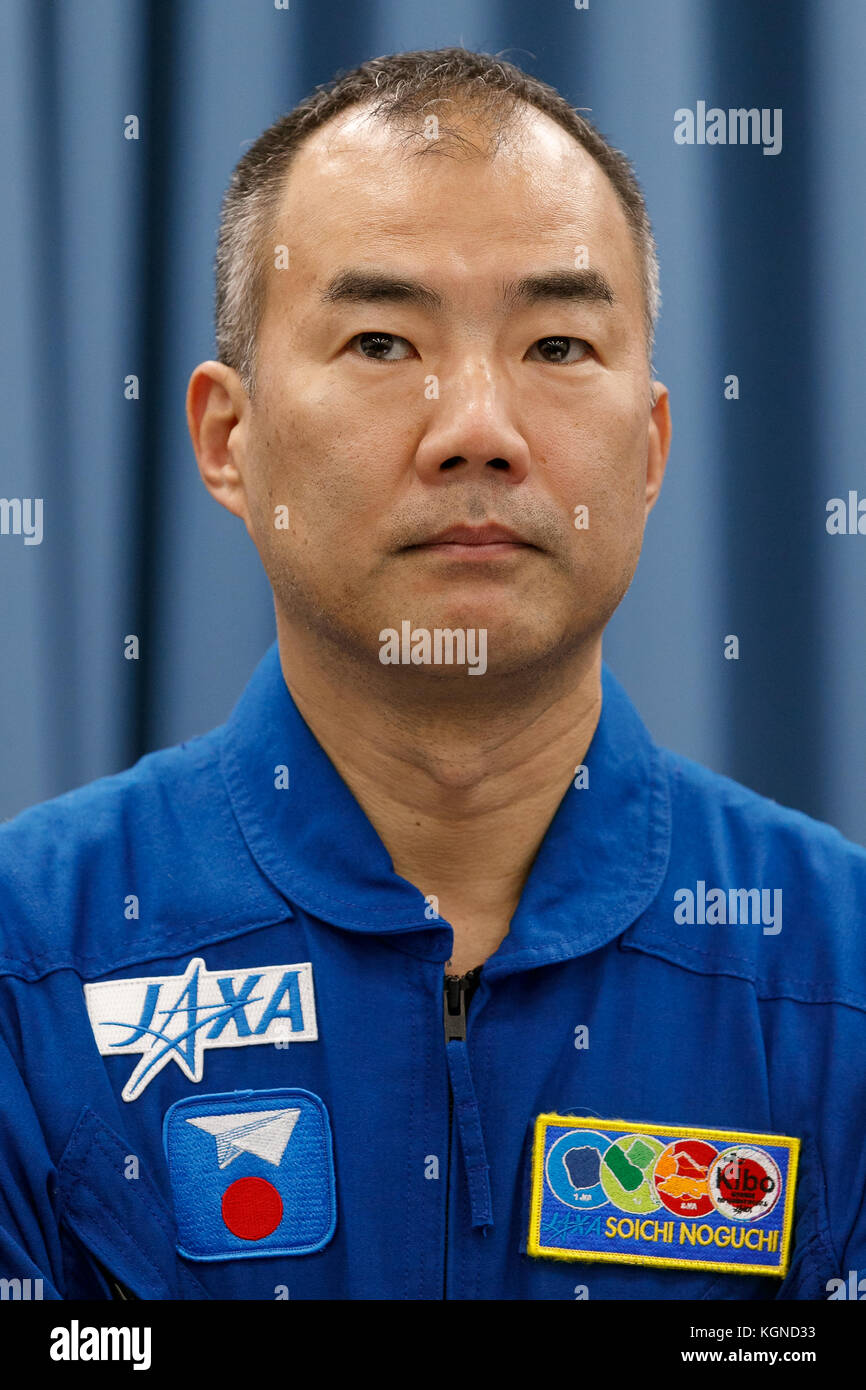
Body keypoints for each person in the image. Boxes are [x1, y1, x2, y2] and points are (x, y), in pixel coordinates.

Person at [0, 46, 863, 1303]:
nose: (476, 429)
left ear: (651, 450)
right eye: (380, 340)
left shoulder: (830, 969)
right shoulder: (31, 965)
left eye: (558, 344)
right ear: (226, 440)